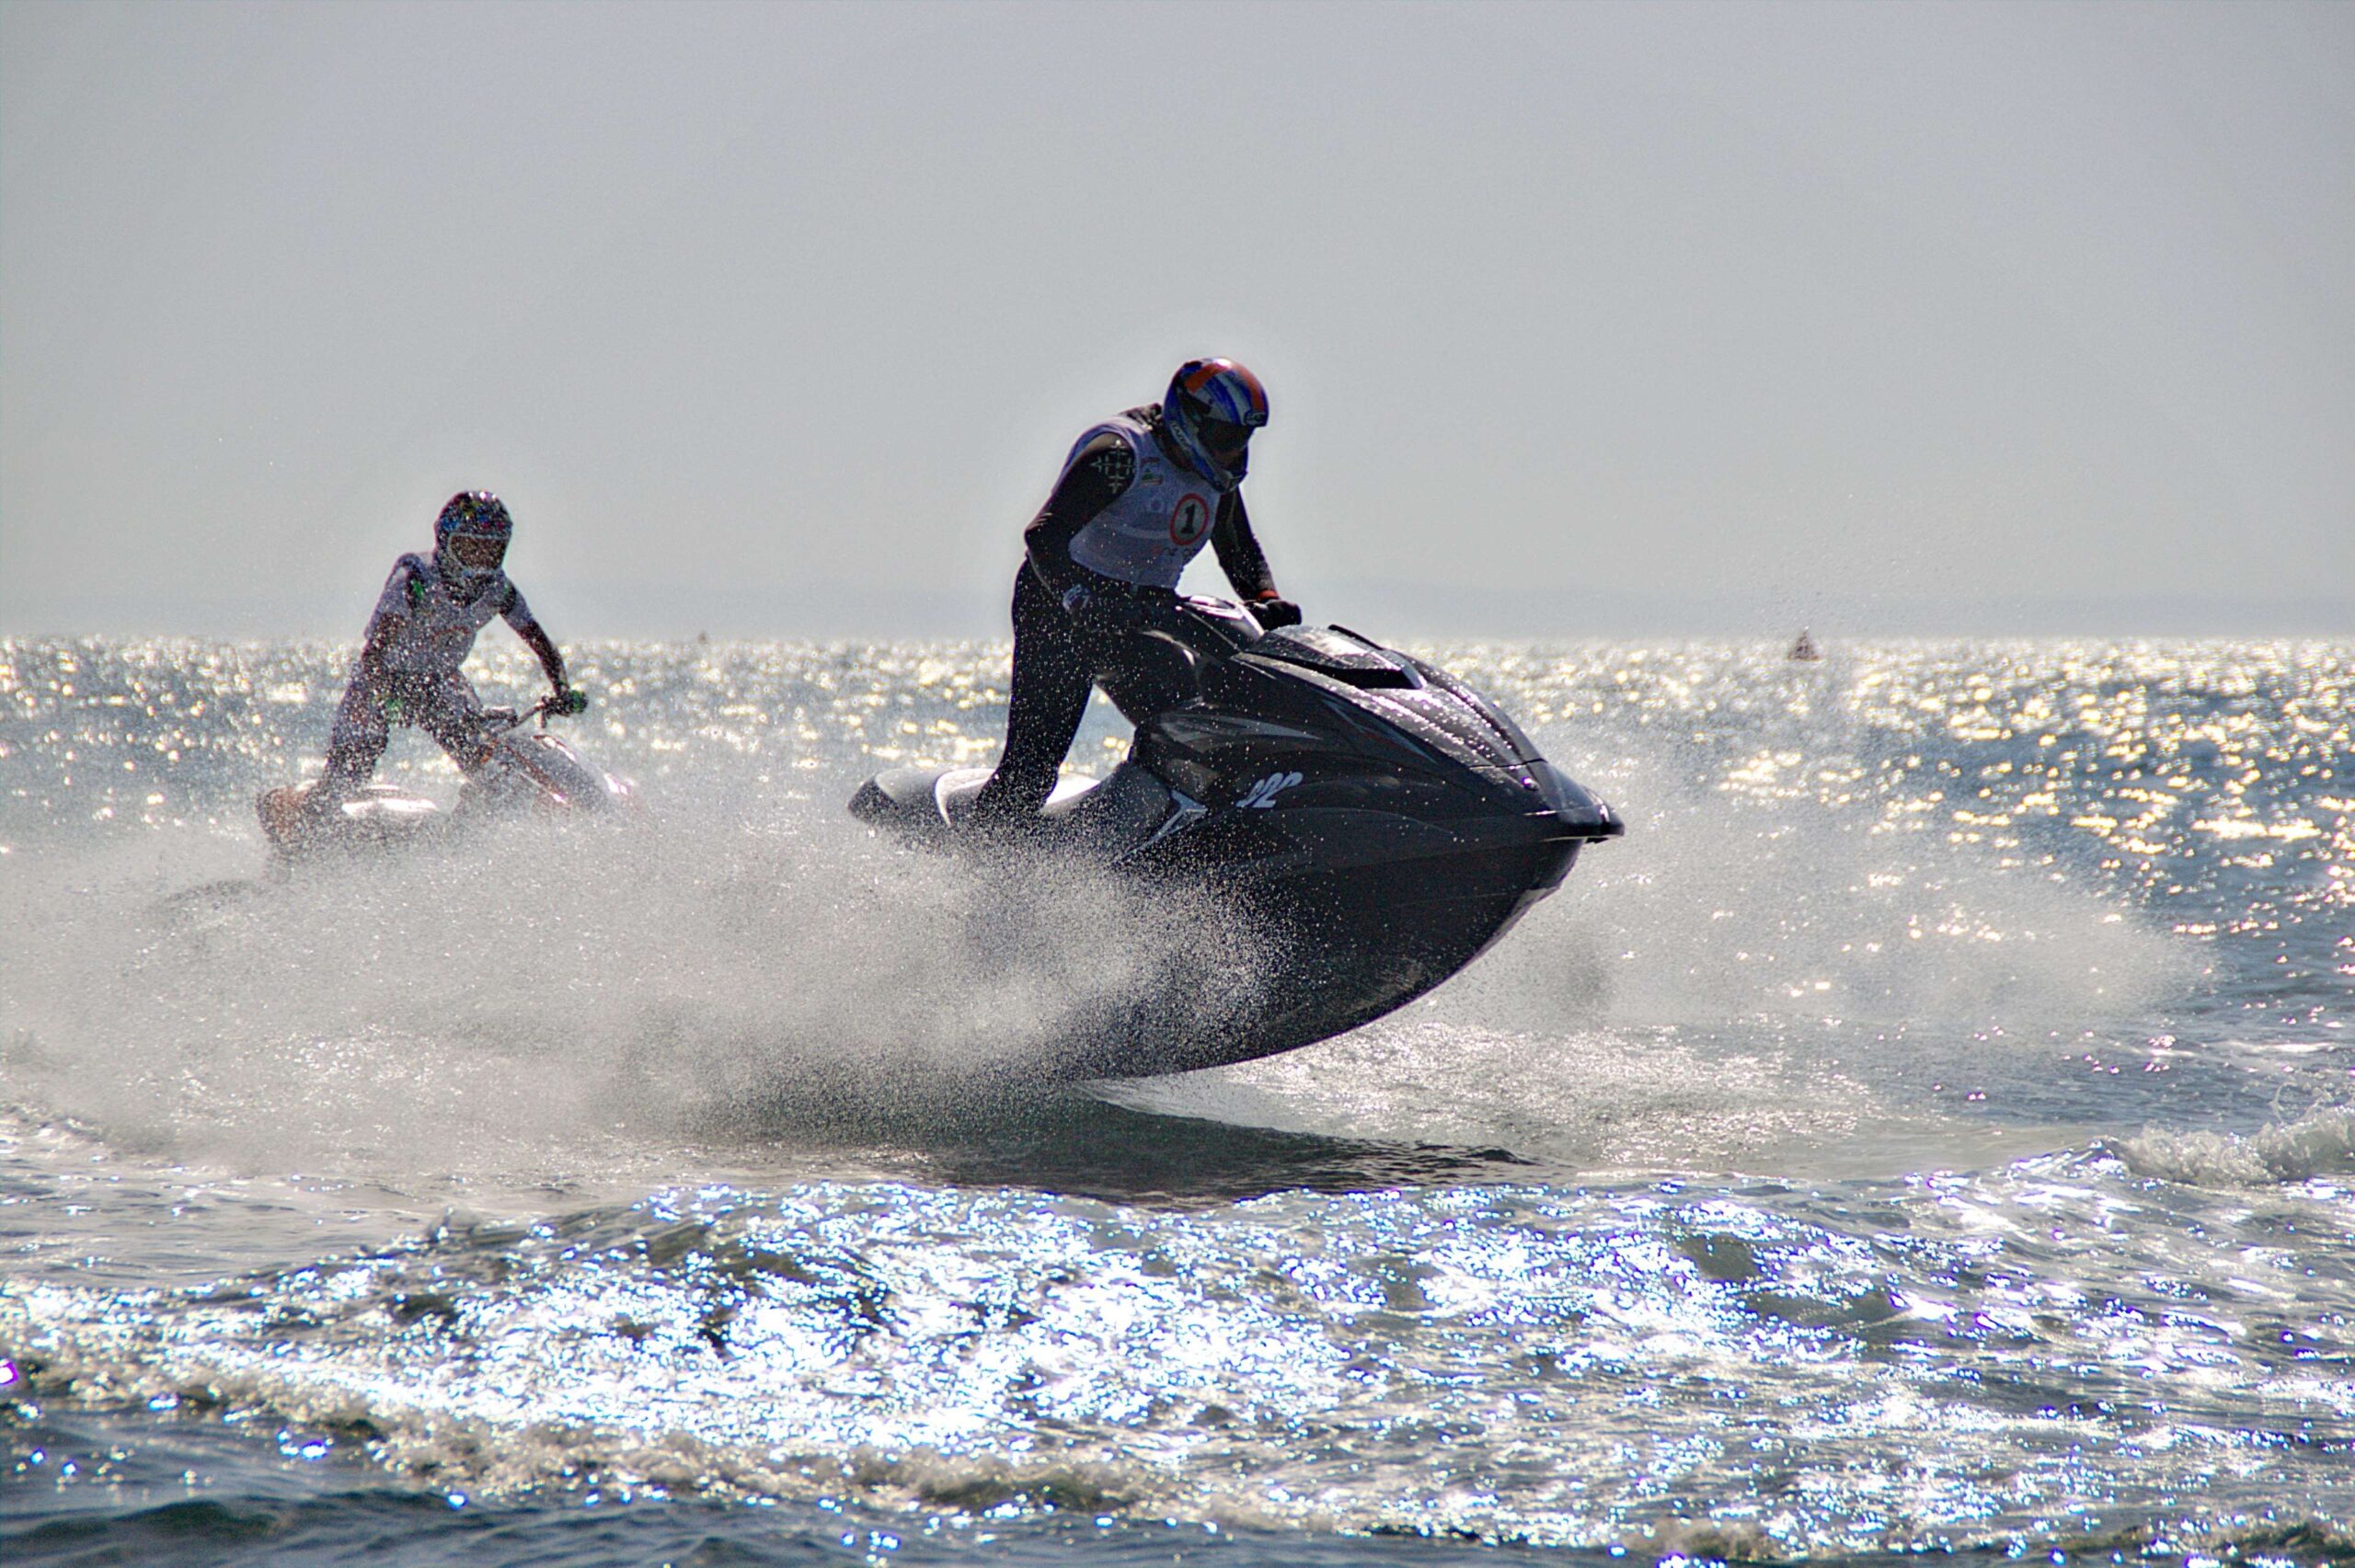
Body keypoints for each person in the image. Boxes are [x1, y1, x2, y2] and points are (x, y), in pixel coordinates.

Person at [970, 358, 1300, 826]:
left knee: (1202, 744)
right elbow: (1043, 535)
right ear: (1194, 421)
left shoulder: (1215, 477)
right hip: (1059, 609)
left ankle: (1153, 850)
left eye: (1243, 439)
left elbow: (1240, 551)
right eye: (1229, 438)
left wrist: (1266, 599)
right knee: (1032, 773)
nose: (1235, 451)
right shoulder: (1120, 454)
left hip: (1139, 618)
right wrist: (1077, 599)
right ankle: (975, 875)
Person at [313, 490, 586, 806]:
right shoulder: (415, 579)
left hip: (439, 680)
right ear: (446, 542)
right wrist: (384, 694)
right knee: (353, 763)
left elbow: (540, 643)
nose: (480, 564)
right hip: (382, 677)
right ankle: (320, 812)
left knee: (486, 758)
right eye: (470, 549)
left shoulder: (499, 589)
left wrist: (562, 690)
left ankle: (472, 830)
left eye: (490, 552)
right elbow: (376, 650)